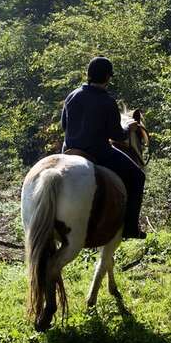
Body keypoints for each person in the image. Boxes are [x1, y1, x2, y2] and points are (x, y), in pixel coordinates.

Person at [61, 56, 146, 239]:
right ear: (107, 77)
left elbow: (64, 126)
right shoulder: (107, 101)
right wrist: (128, 128)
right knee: (138, 176)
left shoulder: (72, 95)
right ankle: (131, 227)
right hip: (98, 153)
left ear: (89, 75)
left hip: (69, 151)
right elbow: (116, 135)